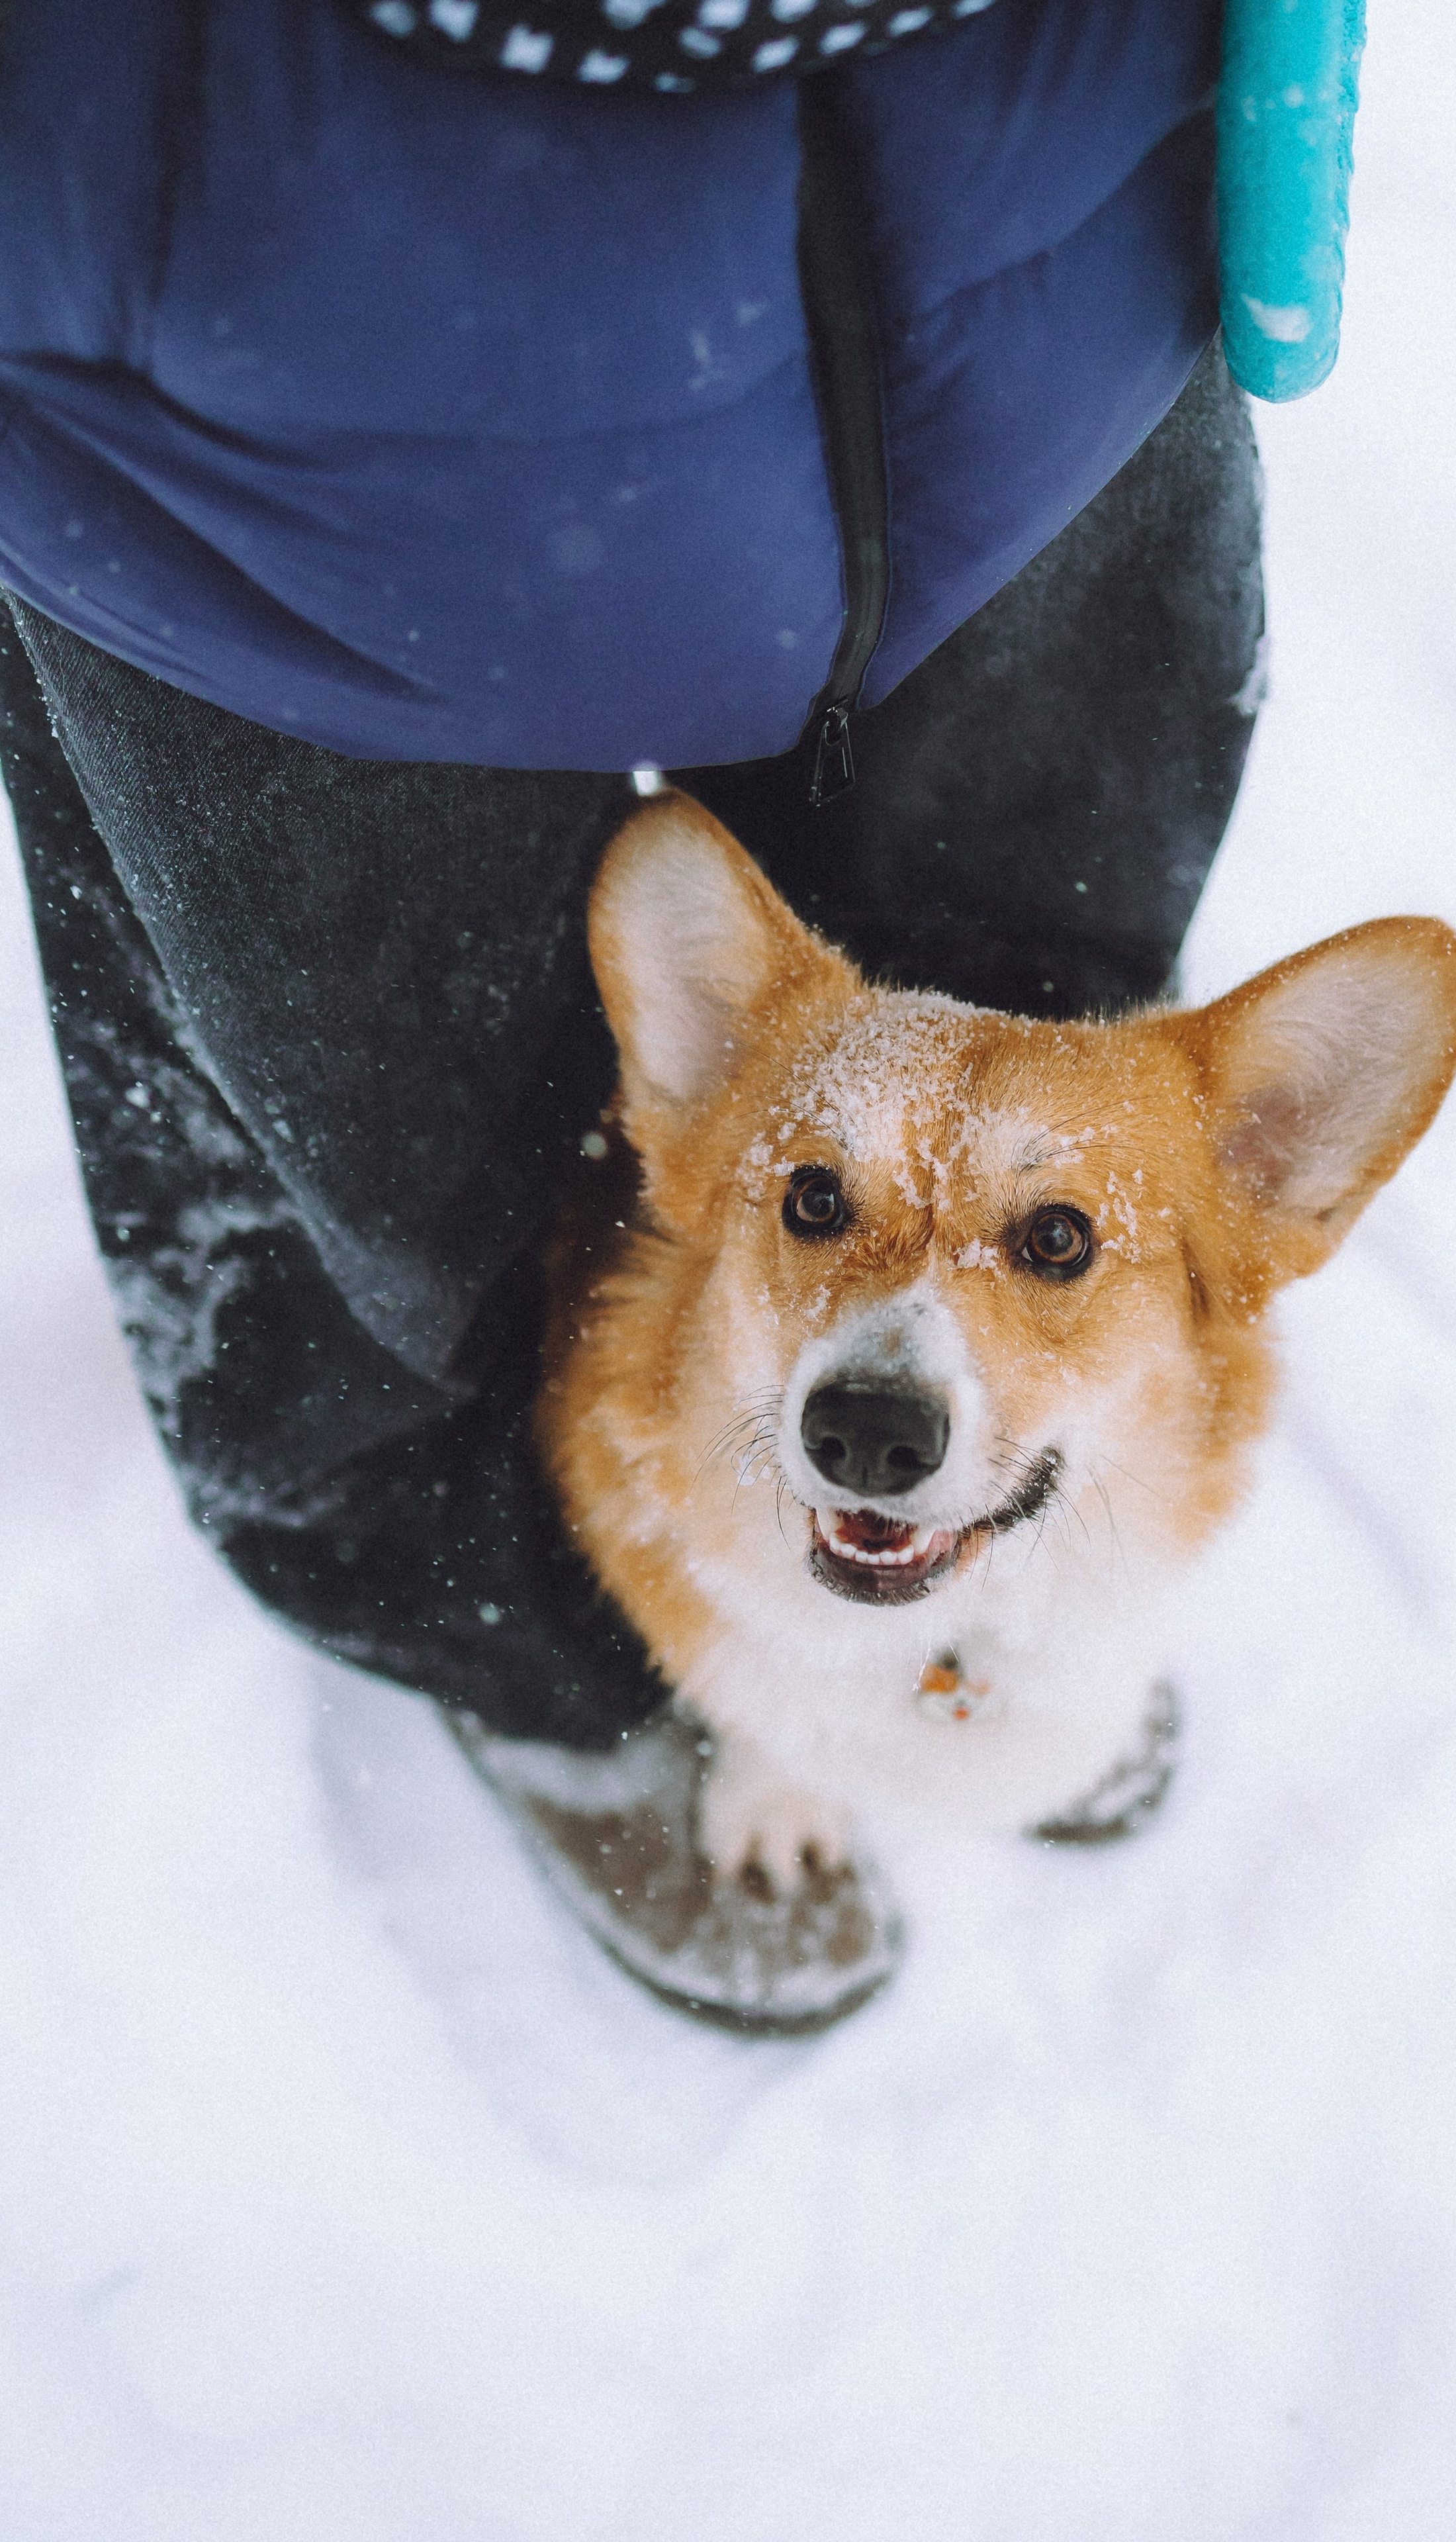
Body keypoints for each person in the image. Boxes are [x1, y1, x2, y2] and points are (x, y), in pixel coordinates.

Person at [0, 0, 1263, 2029]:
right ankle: (526, 1639)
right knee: (386, 1163)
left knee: (1051, 1018)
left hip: (1016, 250)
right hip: (238, 444)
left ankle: (1016, 1641)